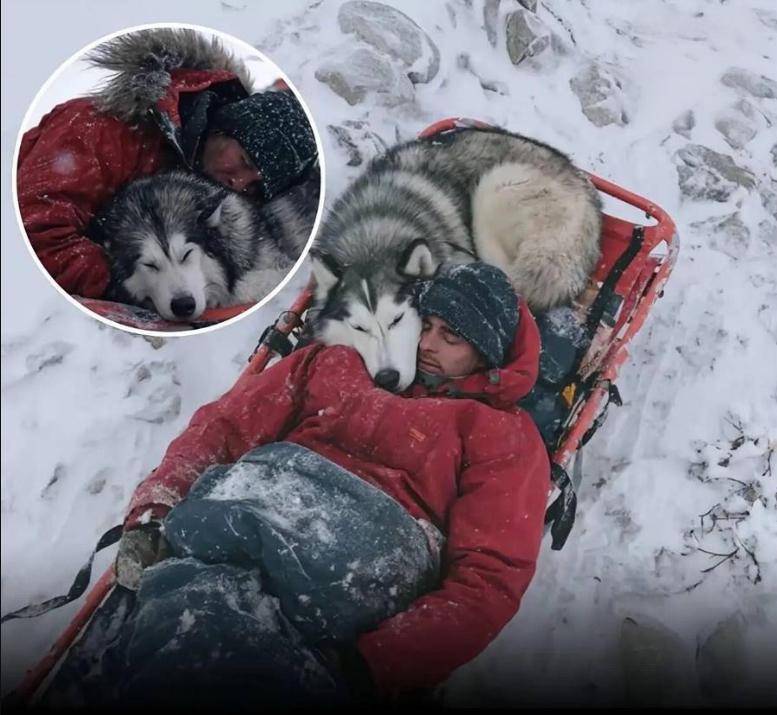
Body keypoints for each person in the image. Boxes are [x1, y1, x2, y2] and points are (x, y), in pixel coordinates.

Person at [48, 262, 550, 706]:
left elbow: (489, 580)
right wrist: (158, 507)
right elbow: (224, 430)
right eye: (428, 325)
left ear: (487, 356)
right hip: (252, 506)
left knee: (201, 620)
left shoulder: (502, 435)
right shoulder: (335, 362)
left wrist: (382, 662)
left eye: (452, 337)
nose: (427, 344)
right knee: (195, 601)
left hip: (361, 554)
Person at [15, 28, 318, 299]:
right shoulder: (99, 128)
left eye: (254, 186)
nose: (238, 183)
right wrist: (122, 283)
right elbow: (32, 232)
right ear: (225, 127)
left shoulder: (195, 176)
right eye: (243, 161)